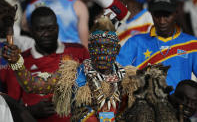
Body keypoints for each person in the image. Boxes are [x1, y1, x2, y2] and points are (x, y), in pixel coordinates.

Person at [3, 15, 137, 121]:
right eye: (97, 46)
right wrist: (16, 62)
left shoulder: (130, 80)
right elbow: (33, 85)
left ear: (117, 49)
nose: (102, 52)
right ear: (90, 48)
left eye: (107, 47)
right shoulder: (73, 75)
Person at [1, 6, 89, 122]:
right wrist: (30, 110)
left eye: (51, 28)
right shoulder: (21, 60)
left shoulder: (79, 52)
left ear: (57, 28)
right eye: (41, 29)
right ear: (31, 31)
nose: (47, 34)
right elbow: (17, 101)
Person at [116, 0, 197, 91]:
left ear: (176, 13)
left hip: (179, 104)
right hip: (143, 104)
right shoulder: (135, 42)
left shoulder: (191, 44)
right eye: (157, 15)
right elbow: (116, 73)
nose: (162, 21)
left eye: (167, 15)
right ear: (151, 14)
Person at [21, 0, 89, 48]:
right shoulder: (77, 5)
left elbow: (24, 27)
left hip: (41, 58)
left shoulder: (32, 4)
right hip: (72, 58)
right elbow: (84, 43)